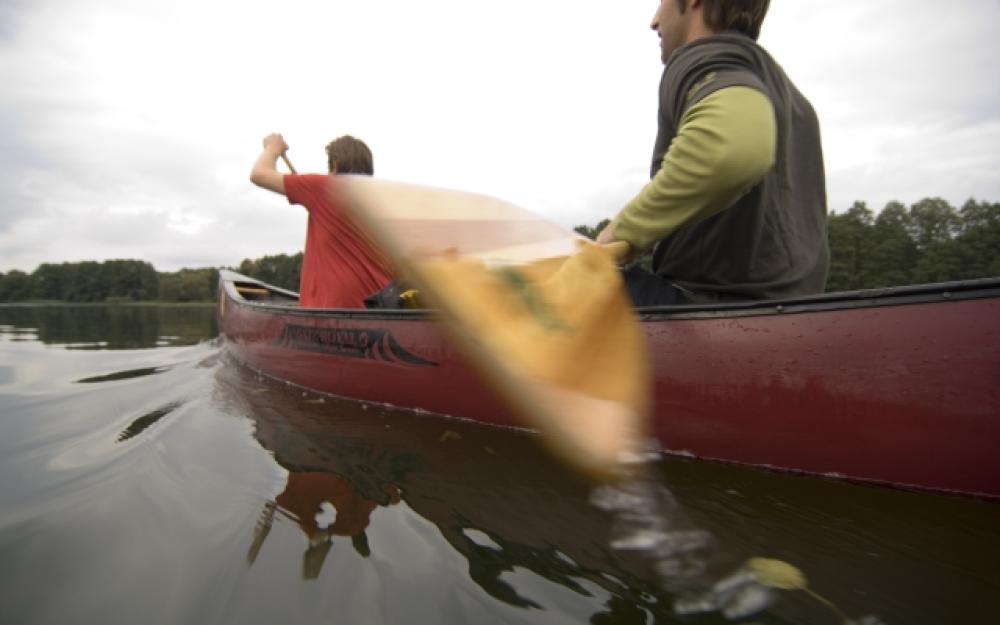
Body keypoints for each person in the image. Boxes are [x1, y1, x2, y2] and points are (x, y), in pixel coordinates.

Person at [596, 0, 829, 305]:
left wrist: (619, 237)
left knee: (528, 291)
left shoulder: (702, 57)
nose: (653, 21)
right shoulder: (790, 98)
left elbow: (729, 153)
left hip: (706, 311)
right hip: (793, 317)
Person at [250, 133, 391, 308]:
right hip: (381, 306)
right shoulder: (383, 201)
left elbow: (259, 174)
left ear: (336, 164)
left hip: (339, 308)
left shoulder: (324, 188)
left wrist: (273, 147)